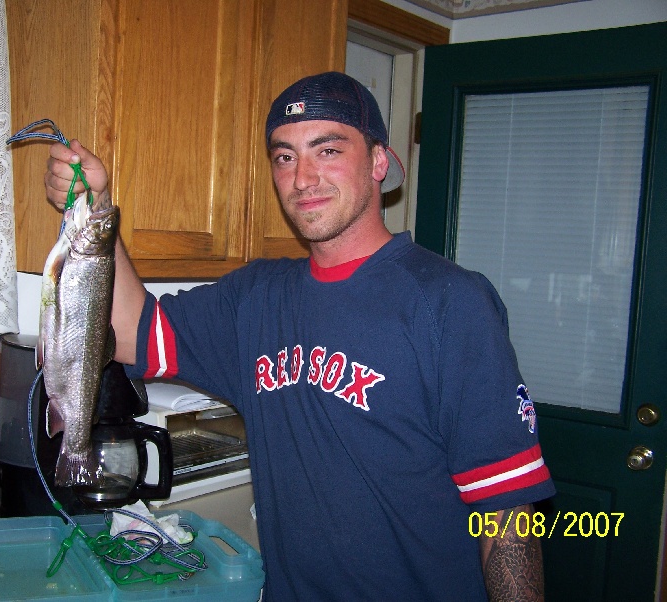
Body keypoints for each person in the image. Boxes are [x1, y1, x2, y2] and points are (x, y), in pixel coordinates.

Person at [45, 71, 555, 601]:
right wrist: (96, 208)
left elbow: (507, 512)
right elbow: (127, 333)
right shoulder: (254, 299)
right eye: (285, 157)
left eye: (327, 150)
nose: (303, 178)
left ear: (379, 162)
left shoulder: (450, 303)